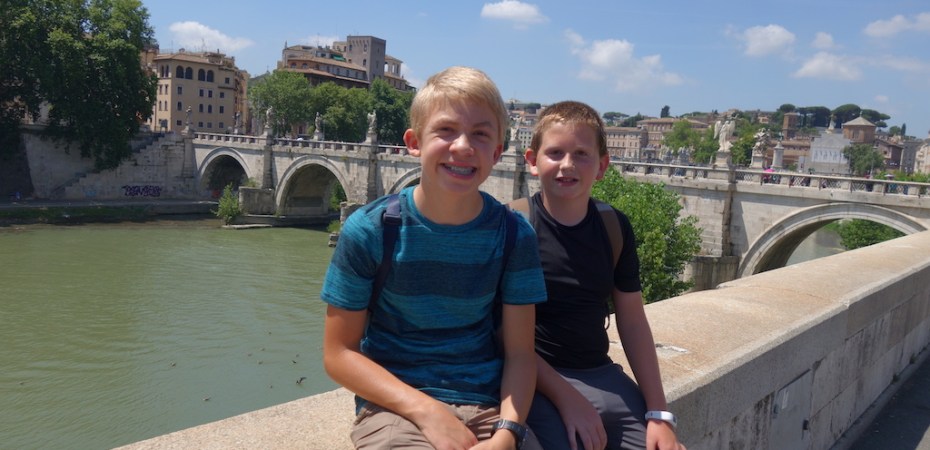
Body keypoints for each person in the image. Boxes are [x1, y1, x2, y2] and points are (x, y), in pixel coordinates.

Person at [321, 66, 547, 450]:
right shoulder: (370, 230)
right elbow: (338, 353)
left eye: (480, 134)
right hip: (394, 407)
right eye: (446, 130)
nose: (462, 146)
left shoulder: (514, 234)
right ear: (414, 142)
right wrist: (427, 411)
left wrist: (509, 432)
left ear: (496, 152)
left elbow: (521, 355)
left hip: (488, 406)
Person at [521, 101, 685, 450]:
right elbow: (503, 336)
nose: (567, 165)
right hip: (537, 379)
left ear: (602, 166)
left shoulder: (614, 226)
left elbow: (633, 320)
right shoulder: (515, 227)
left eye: (581, 154)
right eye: (555, 153)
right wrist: (567, 397)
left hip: (602, 374)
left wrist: (659, 413)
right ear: (532, 162)